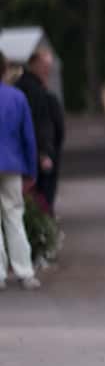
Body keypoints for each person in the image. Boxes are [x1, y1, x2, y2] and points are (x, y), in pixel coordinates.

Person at [0, 50, 40, 288]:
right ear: (5, 70)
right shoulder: (17, 97)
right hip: (12, 164)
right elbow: (28, 137)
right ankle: (25, 271)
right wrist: (31, 170)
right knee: (14, 216)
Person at [16, 43, 64, 212]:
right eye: (45, 67)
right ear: (34, 65)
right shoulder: (34, 91)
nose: (48, 71)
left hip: (32, 153)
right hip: (39, 154)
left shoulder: (24, 87)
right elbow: (40, 123)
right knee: (42, 199)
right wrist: (44, 152)